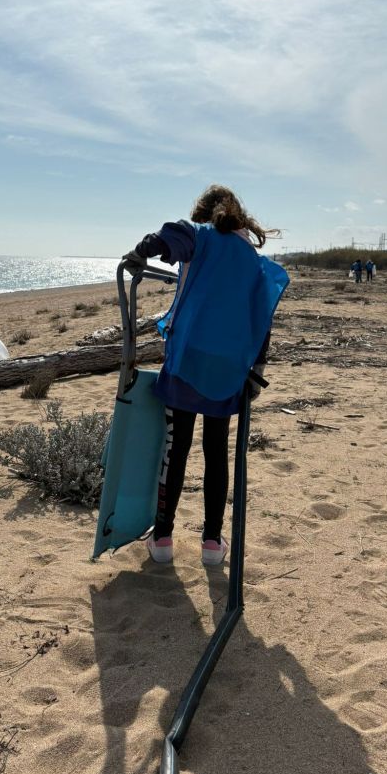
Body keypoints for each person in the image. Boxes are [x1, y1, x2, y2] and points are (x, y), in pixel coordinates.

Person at [122, 185, 288, 566]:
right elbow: (262, 320)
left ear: (204, 212)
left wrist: (141, 251)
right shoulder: (252, 259)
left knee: (175, 448)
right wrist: (256, 373)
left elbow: (170, 235)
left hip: (187, 361)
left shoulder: (200, 237)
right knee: (216, 453)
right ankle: (212, 544)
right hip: (228, 369)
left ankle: (162, 539)